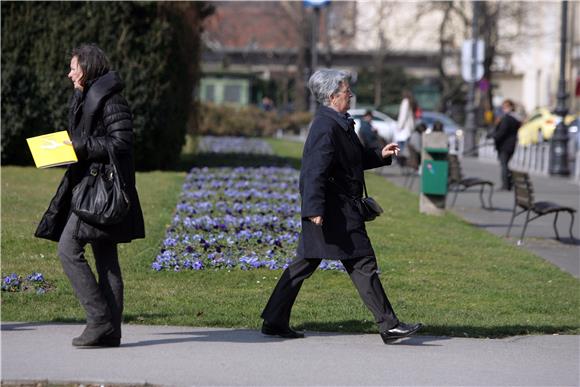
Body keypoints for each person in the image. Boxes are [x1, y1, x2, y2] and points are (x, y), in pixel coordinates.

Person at [260, 69, 422, 344]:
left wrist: (380, 155)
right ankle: (389, 325)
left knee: (307, 264)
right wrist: (313, 210)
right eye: (347, 92)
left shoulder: (339, 122)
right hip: (332, 211)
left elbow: (353, 159)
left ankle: (274, 321)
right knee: (362, 263)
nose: (351, 96)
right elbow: (313, 171)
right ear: (333, 96)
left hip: (336, 210)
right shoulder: (326, 126)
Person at [35, 44, 145, 347]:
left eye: (74, 67)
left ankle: (99, 320)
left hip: (102, 192)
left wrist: (79, 146)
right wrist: (62, 149)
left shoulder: (110, 101)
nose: (70, 73)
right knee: (106, 257)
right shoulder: (87, 97)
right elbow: (86, 140)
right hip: (91, 187)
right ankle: (111, 332)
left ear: (89, 68)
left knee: (68, 249)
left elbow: (121, 142)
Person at [492, 99, 521, 190]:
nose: (504, 109)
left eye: (505, 107)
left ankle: (506, 184)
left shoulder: (507, 119)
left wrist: (494, 136)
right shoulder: (515, 119)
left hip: (504, 145)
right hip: (511, 144)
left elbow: (502, 132)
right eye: (503, 107)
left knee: (504, 165)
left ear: (511, 107)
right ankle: (508, 183)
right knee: (505, 164)